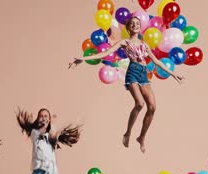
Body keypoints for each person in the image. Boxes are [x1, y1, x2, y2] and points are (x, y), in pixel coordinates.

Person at [69, 16, 184, 153]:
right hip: (133, 72)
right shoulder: (125, 42)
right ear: (129, 28)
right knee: (140, 104)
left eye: (137, 23)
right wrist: (83, 58)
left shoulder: (144, 44)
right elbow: (105, 53)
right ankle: (128, 133)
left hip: (143, 74)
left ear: (140, 27)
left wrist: (173, 74)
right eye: (132, 24)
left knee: (152, 107)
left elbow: (157, 61)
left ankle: (141, 137)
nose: (135, 25)